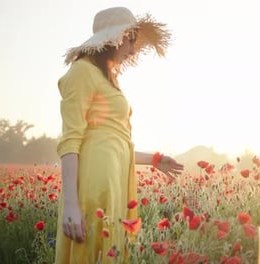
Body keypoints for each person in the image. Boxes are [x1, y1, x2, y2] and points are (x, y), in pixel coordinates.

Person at [54, 7, 184, 263]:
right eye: (131, 39)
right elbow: (71, 139)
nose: (134, 49)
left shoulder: (107, 78)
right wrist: (71, 203)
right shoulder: (82, 71)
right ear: (115, 37)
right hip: (94, 185)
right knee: (92, 249)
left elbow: (114, 141)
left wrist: (155, 160)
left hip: (115, 180)